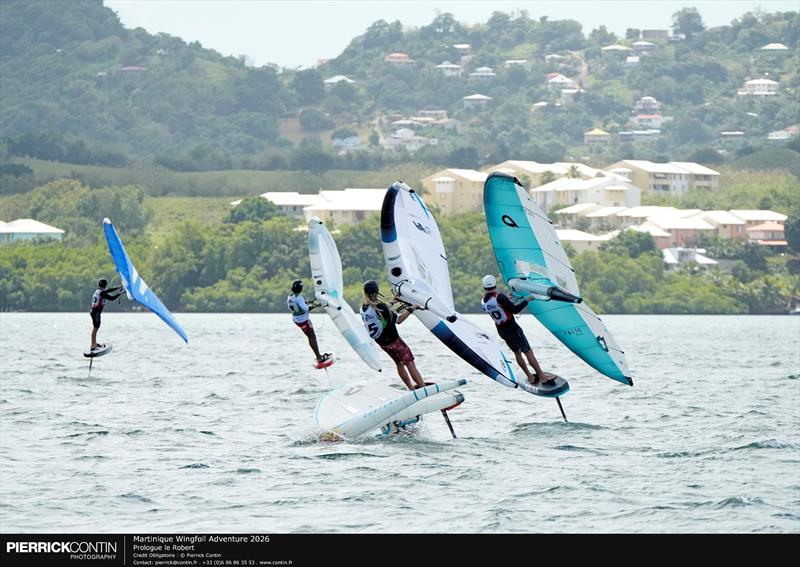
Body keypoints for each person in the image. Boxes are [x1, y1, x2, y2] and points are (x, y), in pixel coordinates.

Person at [480, 275, 554, 386]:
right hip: (513, 328)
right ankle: (542, 377)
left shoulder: (483, 302)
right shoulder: (500, 297)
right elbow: (515, 310)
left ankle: (530, 377)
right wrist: (527, 300)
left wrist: (507, 299)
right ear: (495, 284)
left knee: (517, 352)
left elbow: (497, 308)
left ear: (484, 287)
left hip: (501, 331)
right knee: (528, 351)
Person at [360, 280, 426, 391]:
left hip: (382, 344)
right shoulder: (381, 307)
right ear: (377, 292)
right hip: (394, 341)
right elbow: (399, 320)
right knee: (409, 362)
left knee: (399, 363)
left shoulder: (363, 308)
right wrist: (412, 307)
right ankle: (424, 390)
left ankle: (411, 389)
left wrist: (393, 301)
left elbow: (382, 309)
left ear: (365, 293)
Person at [287, 279, 330, 365]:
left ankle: (318, 355)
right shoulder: (299, 298)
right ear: (300, 289)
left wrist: (309, 302)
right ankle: (319, 357)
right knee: (312, 337)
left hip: (297, 320)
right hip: (303, 321)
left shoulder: (290, 296)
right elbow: (306, 308)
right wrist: (316, 305)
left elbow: (299, 304)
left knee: (310, 337)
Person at [90, 278, 124, 350]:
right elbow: (112, 298)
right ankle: (93, 345)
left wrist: (118, 288)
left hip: (94, 312)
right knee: (95, 328)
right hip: (96, 313)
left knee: (96, 328)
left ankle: (94, 343)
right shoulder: (102, 293)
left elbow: (109, 290)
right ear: (105, 285)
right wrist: (120, 293)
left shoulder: (98, 290)